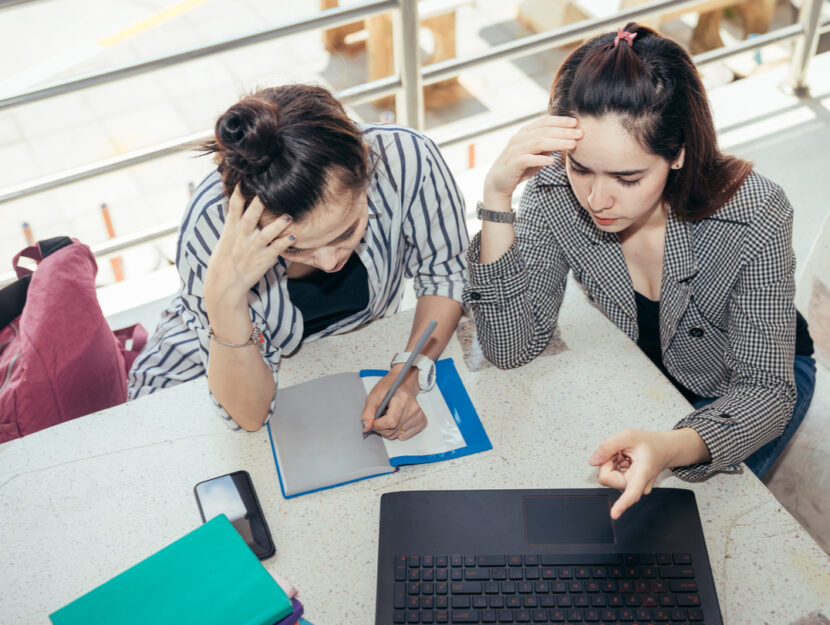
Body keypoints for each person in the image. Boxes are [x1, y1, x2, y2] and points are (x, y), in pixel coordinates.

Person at [464, 23, 816, 519]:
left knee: (695, 522)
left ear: (677, 153)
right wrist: (497, 200)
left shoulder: (756, 211)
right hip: (653, 371)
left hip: (747, 379)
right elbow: (509, 347)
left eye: (627, 177)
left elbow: (765, 390)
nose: (596, 199)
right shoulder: (552, 194)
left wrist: (670, 447)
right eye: (579, 167)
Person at [129, 84, 469, 438]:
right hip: (197, 364)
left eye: (345, 232)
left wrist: (409, 372)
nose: (329, 261)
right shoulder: (210, 227)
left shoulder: (407, 158)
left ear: (365, 164)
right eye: (291, 247)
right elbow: (249, 416)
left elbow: (446, 274)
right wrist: (223, 299)